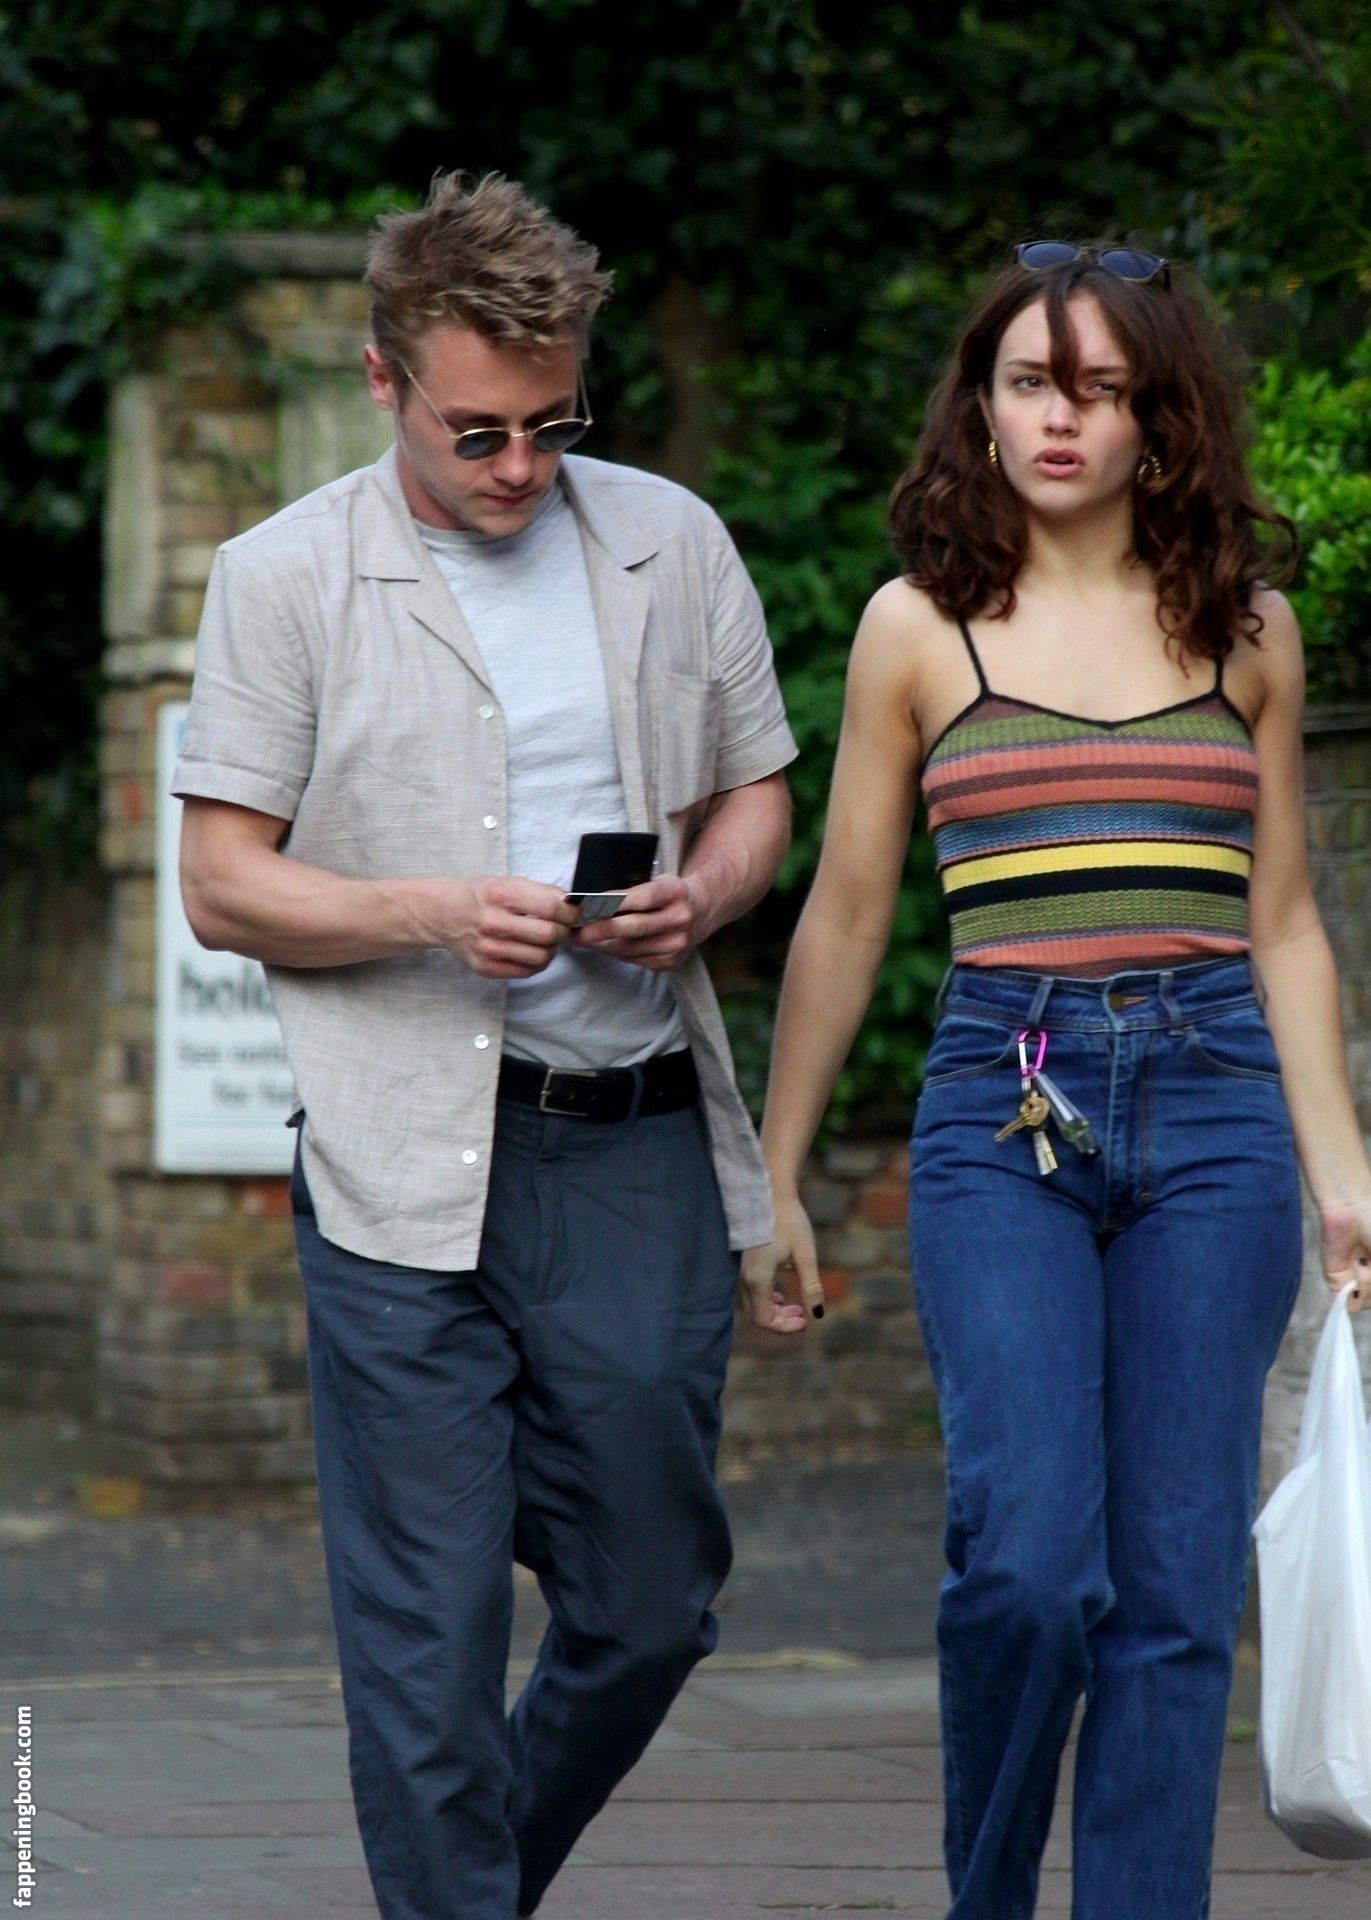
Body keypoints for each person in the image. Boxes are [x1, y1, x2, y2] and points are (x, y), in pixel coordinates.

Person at [173, 170, 801, 1920]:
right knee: (428, 1644)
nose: (521, 466)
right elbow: (221, 884)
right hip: (396, 1165)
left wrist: (702, 892)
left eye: (552, 424)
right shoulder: (282, 578)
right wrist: (434, 911)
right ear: (384, 380)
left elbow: (758, 796)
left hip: (633, 1145)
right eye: (478, 434)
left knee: (650, 1606)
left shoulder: (674, 541)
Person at [742, 240, 1371, 1918]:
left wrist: (1343, 1175)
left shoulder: (1246, 630)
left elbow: (1286, 922)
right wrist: (776, 1172)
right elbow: (848, 913)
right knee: (1026, 1567)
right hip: (1000, 1105)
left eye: (1098, 388)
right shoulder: (916, 629)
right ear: (983, 404)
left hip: (1216, 1107)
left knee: (1174, 1596)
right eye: (1028, 383)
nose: (1059, 419)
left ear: (1160, 416)